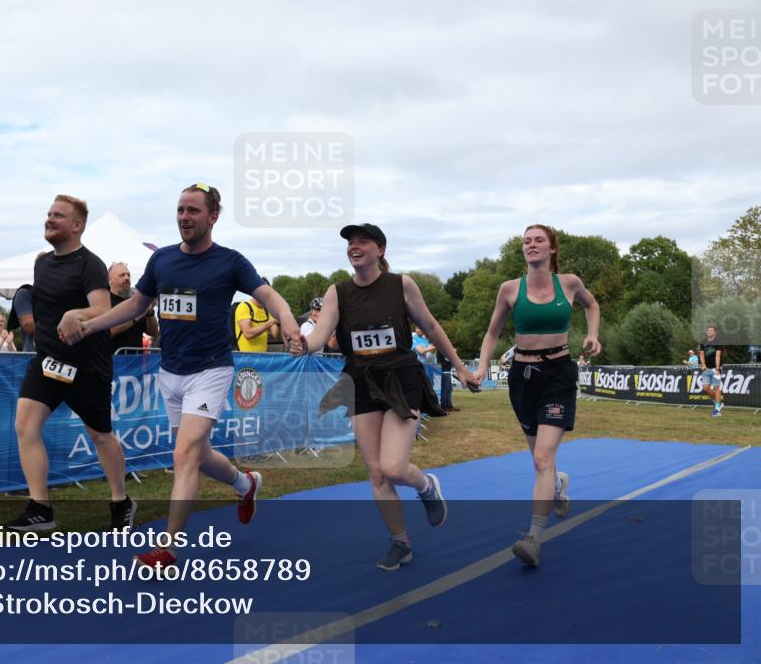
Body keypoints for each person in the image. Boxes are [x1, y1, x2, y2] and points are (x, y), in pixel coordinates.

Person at [75, 183, 301, 571]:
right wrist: (92, 325)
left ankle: (168, 550)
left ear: (213, 216)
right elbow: (134, 305)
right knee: (197, 453)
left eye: (194, 211)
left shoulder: (230, 262)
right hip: (171, 372)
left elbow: (268, 296)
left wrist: (290, 322)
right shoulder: (161, 260)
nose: (185, 217)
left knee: (183, 453)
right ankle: (246, 485)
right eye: (180, 209)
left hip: (210, 370)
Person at [293, 223, 479, 570]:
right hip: (361, 380)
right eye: (350, 242)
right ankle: (400, 542)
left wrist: (460, 368)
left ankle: (426, 487)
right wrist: (303, 344)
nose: (354, 246)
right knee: (377, 473)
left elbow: (433, 327)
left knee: (393, 466)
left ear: (380, 250)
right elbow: (319, 336)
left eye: (362, 241)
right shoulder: (338, 292)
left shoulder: (401, 285)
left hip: (400, 378)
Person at [474, 224, 601, 568]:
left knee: (543, 458)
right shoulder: (510, 289)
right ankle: (558, 484)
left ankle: (533, 538)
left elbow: (592, 305)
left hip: (558, 373)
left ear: (552, 249)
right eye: (526, 241)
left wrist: (593, 335)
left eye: (538, 240)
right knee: (540, 459)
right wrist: (483, 366)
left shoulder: (570, 283)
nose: (531, 245)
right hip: (523, 377)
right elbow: (492, 332)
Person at [5, 195, 134, 532]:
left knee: (101, 435)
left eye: (58, 216)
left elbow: (103, 310)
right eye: (48, 213)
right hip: (47, 361)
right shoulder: (42, 264)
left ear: (77, 225)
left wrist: (74, 314)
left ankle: (121, 500)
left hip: (87, 366)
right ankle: (40, 509)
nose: (50, 219)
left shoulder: (89, 263)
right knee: (25, 425)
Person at [108, 262, 158, 352]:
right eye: (122, 275)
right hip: (112, 362)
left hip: (135, 362)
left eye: (128, 275)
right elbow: (109, 331)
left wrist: (150, 312)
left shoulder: (135, 302)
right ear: (110, 280)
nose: (127, 278)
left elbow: (153, 332)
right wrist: (138, 315)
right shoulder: (105, 301)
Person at [235, 278, 280, 352]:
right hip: (246, 358)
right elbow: (248, 334)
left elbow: (276, 335)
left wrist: (281, 320)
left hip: (262, 358)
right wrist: (270, 322)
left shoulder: (267, 310)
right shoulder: (244, 307)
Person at [699, 325, 723, 417]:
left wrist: (717, 368)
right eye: (708, 330)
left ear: (715, 332)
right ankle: (718, 403)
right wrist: (703, 364)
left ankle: (717, 410)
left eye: (711, 331)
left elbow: (718, 356)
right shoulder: (703, 342)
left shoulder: (718, 342)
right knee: (706, 388)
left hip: (715, 369)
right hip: (706, 369)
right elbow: (701, 354)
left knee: (717, 388)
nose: (709, 332)